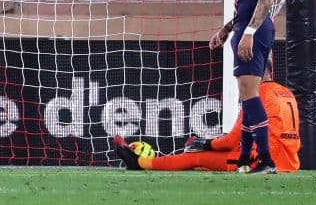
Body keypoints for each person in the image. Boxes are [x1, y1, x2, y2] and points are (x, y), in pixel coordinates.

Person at [114, 60, 300, 173]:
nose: (239, 80)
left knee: (196, 157)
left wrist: (205, 143)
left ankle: (139, 162)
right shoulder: (285, 92)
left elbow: (231, 141)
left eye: (241, 75)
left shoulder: (257, 95)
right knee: (205, 159)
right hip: (289, 160)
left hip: (260, 161)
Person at [208, 0, 282, 174]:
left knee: (250, 96)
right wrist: (227, 28)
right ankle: (243, 159)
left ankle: (265, 160)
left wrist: (248, 33)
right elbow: (247, 0)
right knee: (246, 96)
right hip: (246, 28)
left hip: (255, 32)